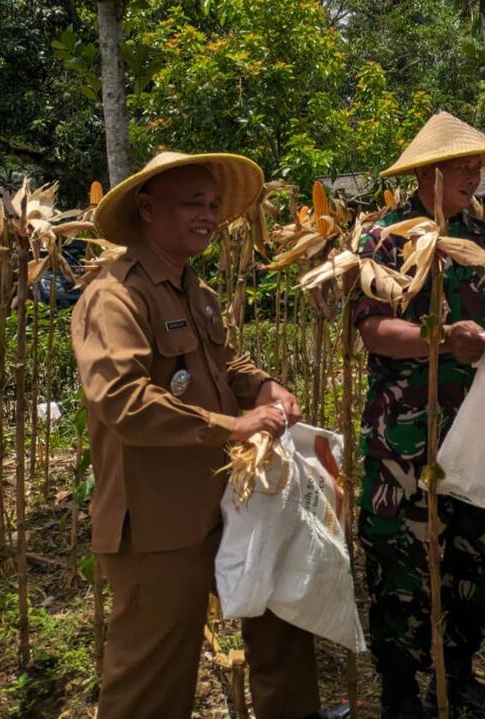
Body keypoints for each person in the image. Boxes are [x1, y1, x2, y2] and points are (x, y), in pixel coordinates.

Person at [73, 152, 325, 719]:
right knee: (153, 674)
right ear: (148, 207)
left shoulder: (197, 292)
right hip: (158, 521)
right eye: (194, 203)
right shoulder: (115, 295)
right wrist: (230, 426)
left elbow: (227, 363)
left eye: (213, 205)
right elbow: (121, 400)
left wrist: (264, 387)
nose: (208, 216)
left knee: (281, 614)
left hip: (225, 502)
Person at [354, 111, 485, 719]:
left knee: (480, 558)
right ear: (428, 172)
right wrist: (443, 337)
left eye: (479, 165)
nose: (475, 175)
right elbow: (374, 331)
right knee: (401, 567)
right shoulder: (386, 240)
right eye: (463, 165)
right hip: (407, 435)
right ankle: (400, 691)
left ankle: (457, 676)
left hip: (484, 430)